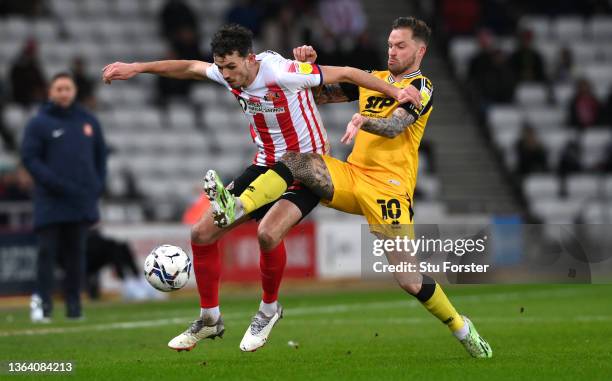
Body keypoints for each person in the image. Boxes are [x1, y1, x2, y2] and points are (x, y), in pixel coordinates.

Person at [102, 24, 418, 352]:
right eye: (221, 67)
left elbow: (350, 73)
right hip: (265, 164)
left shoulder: (284, 72)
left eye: (231, 67)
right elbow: (190, 67)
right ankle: (210, 320)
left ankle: (268, 310)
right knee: (201, 233)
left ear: (250, 59)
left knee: (267, 234)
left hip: (307, 168)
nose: (225, 75)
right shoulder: (228, 72)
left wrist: (397, 93)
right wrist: (137, 67)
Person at [207, 17, 492, 358]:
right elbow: (319, 95)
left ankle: (461, 328)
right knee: (299, 159)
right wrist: (307, 67)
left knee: (410, 280)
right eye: (389, 44)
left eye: (400, 46)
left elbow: (395, 126)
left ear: (420, 50)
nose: (392, 51)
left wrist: (363, 119)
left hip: (389, 188)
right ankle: (236, 204)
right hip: (352, 175)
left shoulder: (422, 87)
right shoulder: (376, 80)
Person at [21, 73, 107, 322]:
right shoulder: (39, 123)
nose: (63, 93)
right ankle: (42, 304)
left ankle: (74, 305)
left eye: (67, 88)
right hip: (50, 199)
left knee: (76, 254)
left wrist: (98, 184)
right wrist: (53, 183)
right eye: (58, 88)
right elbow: (30, 158)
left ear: (74, 91)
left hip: (80, 199)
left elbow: (100, 156)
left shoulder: (88, 121)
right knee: (47, 253)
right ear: (50, 92)